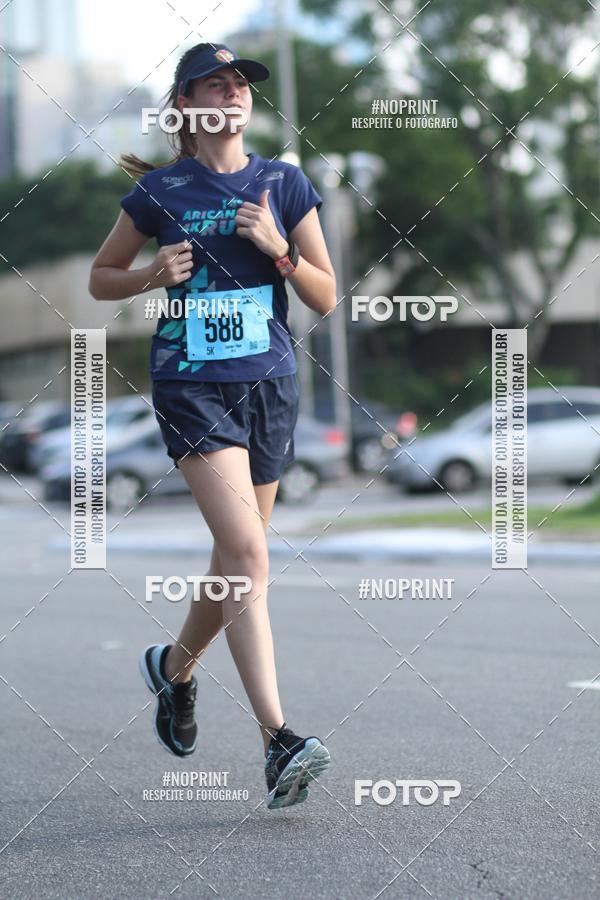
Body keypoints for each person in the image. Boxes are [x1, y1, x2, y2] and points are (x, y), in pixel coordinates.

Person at [88, 42, 336, 809]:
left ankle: (174, 671)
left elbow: (326, 296)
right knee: (249, 554)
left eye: (239, 84)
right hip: (192, 386)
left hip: (270, 386)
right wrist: (149, 276)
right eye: (215, 84)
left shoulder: (284, 183)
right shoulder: (159, 191)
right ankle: (278, 740)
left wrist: (281, 252)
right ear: (186, 105)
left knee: (235, 561)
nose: (232, 93)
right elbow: (100, 278)